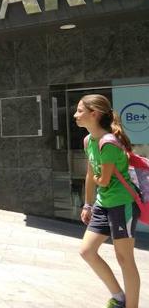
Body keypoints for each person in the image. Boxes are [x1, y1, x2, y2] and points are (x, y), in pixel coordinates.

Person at [74, 94, 140, 308]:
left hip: (122, 204)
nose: (75, 115)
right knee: (87, 251)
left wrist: (98, 181)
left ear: (94, 114)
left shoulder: (108, 143)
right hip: (103, 204)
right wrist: (87, 204)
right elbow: (91, 174)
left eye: (80, 111)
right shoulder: (89, 140)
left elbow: (102, 180)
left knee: (124, 259)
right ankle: (119, 297)